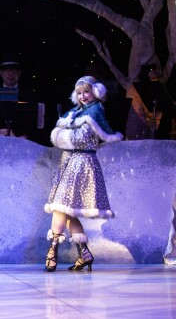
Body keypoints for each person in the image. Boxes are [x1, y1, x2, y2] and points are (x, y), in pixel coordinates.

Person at [44, 76, 123, 272]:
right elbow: (57, 132)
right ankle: (84, 253)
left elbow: (79, 138)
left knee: (61, 207)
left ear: (95, 92)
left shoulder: (94, 111)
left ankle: (52, 250)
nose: (83, 96)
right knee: (68, 211)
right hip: (70, 163)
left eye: (86, 92)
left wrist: (63, 134)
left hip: (82, 163)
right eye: (79, 93)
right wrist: (62, 134)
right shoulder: (77, 112)